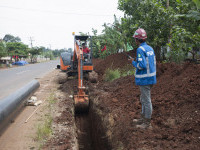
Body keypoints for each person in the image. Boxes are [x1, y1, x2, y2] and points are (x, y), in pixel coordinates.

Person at [129, 28, 156, 129]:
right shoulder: (150, 48)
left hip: (145, 79)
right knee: (144, 99)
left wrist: (133, 62)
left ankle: (147, 123)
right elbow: (148, 62)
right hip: (151, 78)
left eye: (135, 39)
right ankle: (143, 118)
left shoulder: (140, 49)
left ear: (137, 39)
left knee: (146, 100)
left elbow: (141, 66)